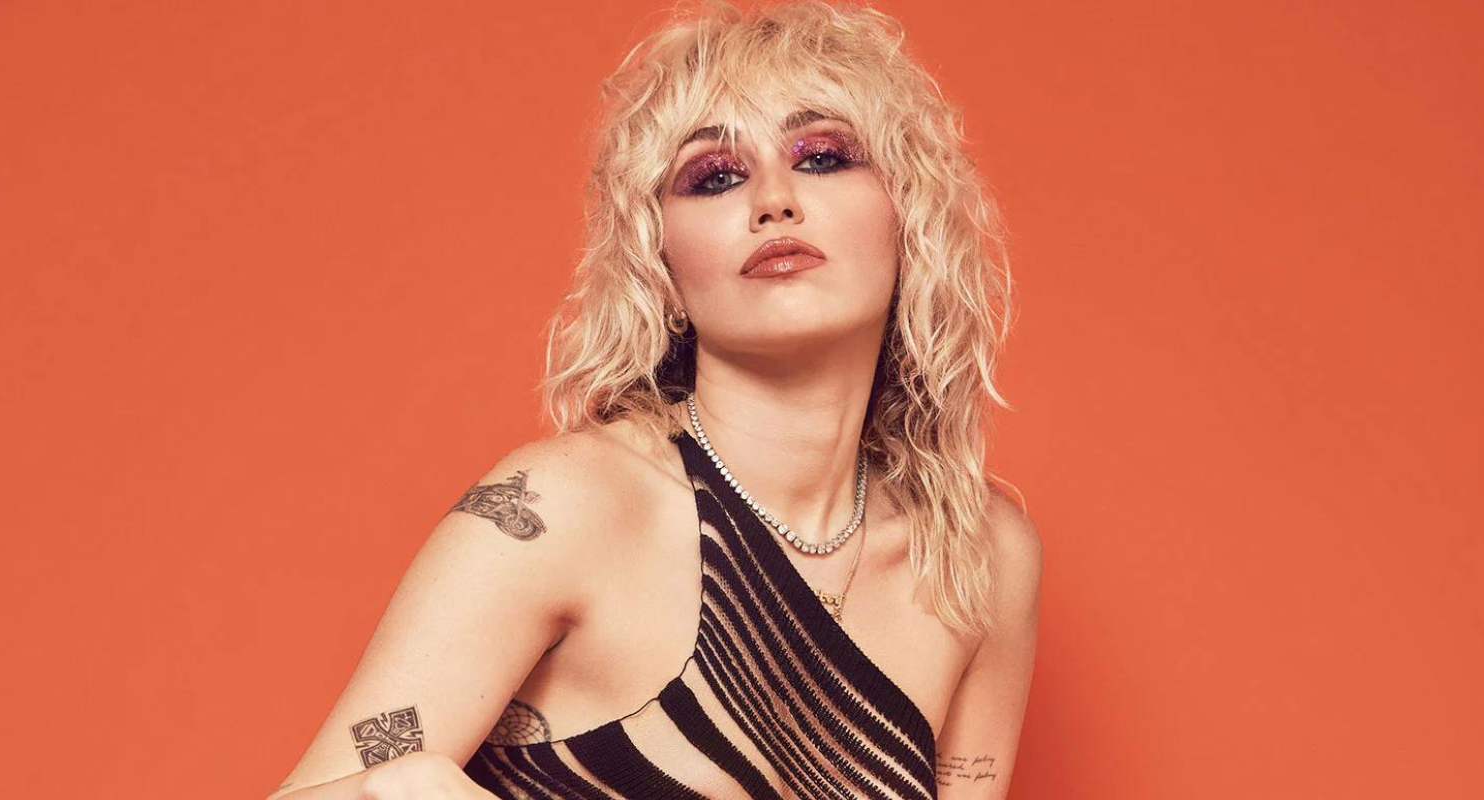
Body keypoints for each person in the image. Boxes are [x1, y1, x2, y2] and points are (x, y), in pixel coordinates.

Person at [266, 1, 1040, 797]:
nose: (773, 200)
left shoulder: (979, 555)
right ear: (658, 265)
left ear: (909, 218)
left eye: (822, 157)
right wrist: (405, 785)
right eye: (716, 177)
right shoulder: (564, 506)